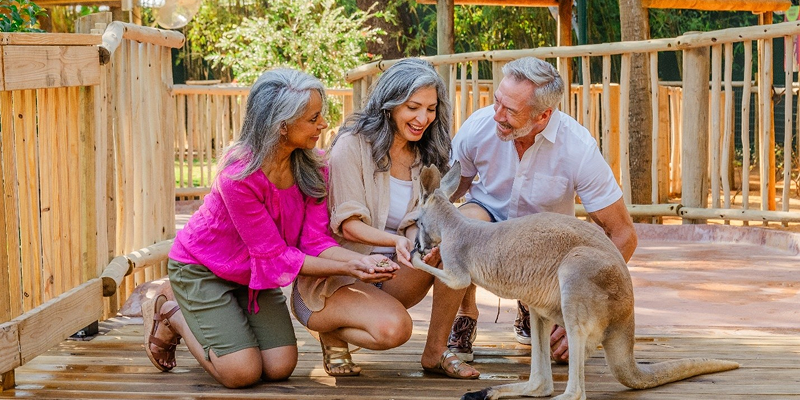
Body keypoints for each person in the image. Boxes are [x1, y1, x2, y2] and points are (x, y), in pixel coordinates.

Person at [142, 68, 401, 388]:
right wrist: (353, 264)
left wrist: (357, 262)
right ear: (282, 126)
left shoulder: (315, 166)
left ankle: (224, 316)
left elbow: (313, 240)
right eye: (314, 118)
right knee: (241, 373)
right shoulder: (238, 176)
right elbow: (277, 257)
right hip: (202, 268)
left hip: (252, 276)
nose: (323, 124)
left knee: (279, 366)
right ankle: (173, 314)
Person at [291, 58, 480, 379]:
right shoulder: (351, 145)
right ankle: (333, 331)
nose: (423, 118)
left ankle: (435, 352)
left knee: (458, 241)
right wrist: (398, 241)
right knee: (394, 330)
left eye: (431, 109)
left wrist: (428, 243)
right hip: (335, 278)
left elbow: (422, 220)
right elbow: (348, 224)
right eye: (413, 107)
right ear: (389, 105)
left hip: (392, 273)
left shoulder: (428, 154)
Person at [446, 57, 638, 364]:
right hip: (487, 224)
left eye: (510, 110)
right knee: (463, 222)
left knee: (561, 354)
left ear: (543, 115)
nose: (497, 115)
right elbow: (451, 192)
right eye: (497, 101)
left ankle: (535, 305)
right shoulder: (478, 128)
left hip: (543, 248)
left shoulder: (578, 148)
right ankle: (465, 312)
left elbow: (622, 234)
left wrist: (586, 306)